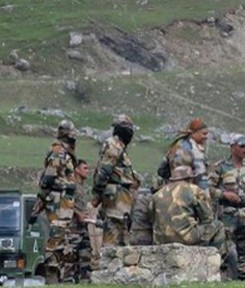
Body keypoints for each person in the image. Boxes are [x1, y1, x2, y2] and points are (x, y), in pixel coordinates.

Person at [149, 165, 226, 258]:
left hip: (161, 240)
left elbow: (152, 218)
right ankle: (214, 258)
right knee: (218, 226)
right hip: (187, 239)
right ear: (190, 178)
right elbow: (208, 218)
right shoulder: (195, 190)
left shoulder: (157, 194)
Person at [210, 134, 245, 280]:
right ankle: (227, 278)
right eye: (242, 146)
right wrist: (224, 194)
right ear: (232, 148)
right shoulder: (220, 167)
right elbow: (207, 189)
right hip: (227, 217)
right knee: (227, 250)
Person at [38, 120, 78, 284]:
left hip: (64, 200)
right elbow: (49, 177)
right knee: (56, 239)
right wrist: (41, 198)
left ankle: (58, 276)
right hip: (57, 199)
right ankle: (51, 276)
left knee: (62, 239)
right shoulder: (58, 151)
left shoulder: (66, 152)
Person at [92, 114, 139, 246]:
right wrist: (98, 193)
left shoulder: (120, 148)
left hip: (122, 201)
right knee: (111, 241)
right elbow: (104, 171)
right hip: (115, 200)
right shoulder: (113, 144)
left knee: (121, 241)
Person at [159, 118, 210, 191]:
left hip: (171, 190)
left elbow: (161, 170)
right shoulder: (195, 151)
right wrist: (206, 196)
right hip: (188, 192)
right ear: (194, 133)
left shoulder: (175, 146)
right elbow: (201, 178)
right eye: (204, 134)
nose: (206, 137)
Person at [70, 158, 96, 282]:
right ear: (77, 169)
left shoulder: (83, 187)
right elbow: (66, 203)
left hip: (83, 227)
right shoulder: (71, 185)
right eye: (85, 168)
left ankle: (85, 281)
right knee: (70, 258)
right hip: (72, 228)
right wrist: (77, 215)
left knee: (85, 256)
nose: (88, 171)